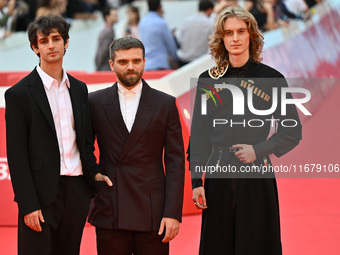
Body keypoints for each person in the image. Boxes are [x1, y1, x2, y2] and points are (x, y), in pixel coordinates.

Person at [188, 6, 302, 255]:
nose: (235, 38)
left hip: (257, 176)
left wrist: (259, 150)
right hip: (217, 176)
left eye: (241, 31)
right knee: (219, 244)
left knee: (257, 243)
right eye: (229, 33)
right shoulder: (209, 80)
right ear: (222, 39)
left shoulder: (272, 79)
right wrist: (197, 181)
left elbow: (292, 131)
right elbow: (198, 135)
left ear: (251, 35)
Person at [87, 36, 185, 255]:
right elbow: (83, 147)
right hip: (111, 206)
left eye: (136, 61)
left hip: (153, 211)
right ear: (111, 64)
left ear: (144, 61)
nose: (130, 67)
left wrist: (172, 213)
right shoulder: (94, 102)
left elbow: (175, 161)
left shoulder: (165, 104)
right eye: (123, 62)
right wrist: (93, 175)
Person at [5, 15, 93, 255]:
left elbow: (85, 142)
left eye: (56, 39)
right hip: (40, 196)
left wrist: (93, 178)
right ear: (35, 47)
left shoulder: (79, 88)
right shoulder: (19, 94)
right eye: (44, 41)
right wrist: (28, 204)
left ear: (66, 42)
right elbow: (16, 155)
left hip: (76, 190)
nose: (51, 45)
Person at [139, 0, 178, 70]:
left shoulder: (142, 21)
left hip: (146, 64)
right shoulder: (161, 23)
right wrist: (175, 58)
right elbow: (170, 44)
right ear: (160, 6)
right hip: (160, 64)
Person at [177, 0, 214, 67]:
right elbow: (213, 43)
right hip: (198, 62)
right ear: (210, 9)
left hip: (183, 61)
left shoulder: (186, 21)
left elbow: (181, 39)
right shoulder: (209, 23)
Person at [95, 6, 118, 71]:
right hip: (105, 68)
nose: (116, 17)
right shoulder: (108, 31)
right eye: (114, 15)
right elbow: (102, 52)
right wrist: (98, 68)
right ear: (107, 17)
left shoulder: (108, 30)